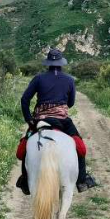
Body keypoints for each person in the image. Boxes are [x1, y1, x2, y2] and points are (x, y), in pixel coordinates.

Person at [16, 48, 97, 195]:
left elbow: (24, 99)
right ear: (61, 63)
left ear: (48, 63)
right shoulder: (69, 80)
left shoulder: (38, 78)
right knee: (80, 147)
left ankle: (25, 180)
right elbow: (71, 103)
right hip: (62, 121)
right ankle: (82, 180)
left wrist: (29, 120)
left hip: (40, 120)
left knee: (25, 146)